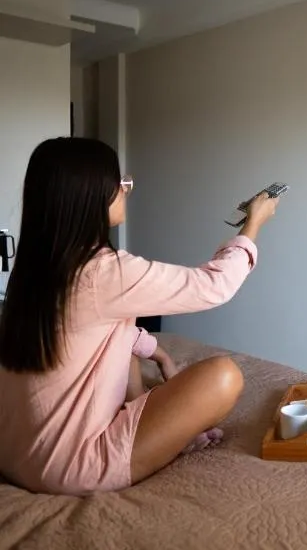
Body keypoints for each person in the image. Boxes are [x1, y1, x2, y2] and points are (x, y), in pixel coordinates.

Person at [0, 137, 278, 496]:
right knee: (223, 377)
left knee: (129, 338)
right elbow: (214, 286)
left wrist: (155, 351)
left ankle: (141, 414)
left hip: (14, 452)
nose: (126, 189)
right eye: (119, 182)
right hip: (69, 467)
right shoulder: (101, 272)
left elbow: (85, 330)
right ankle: (158, 440)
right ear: (90, 197)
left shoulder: (35, 269)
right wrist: (253, 224)